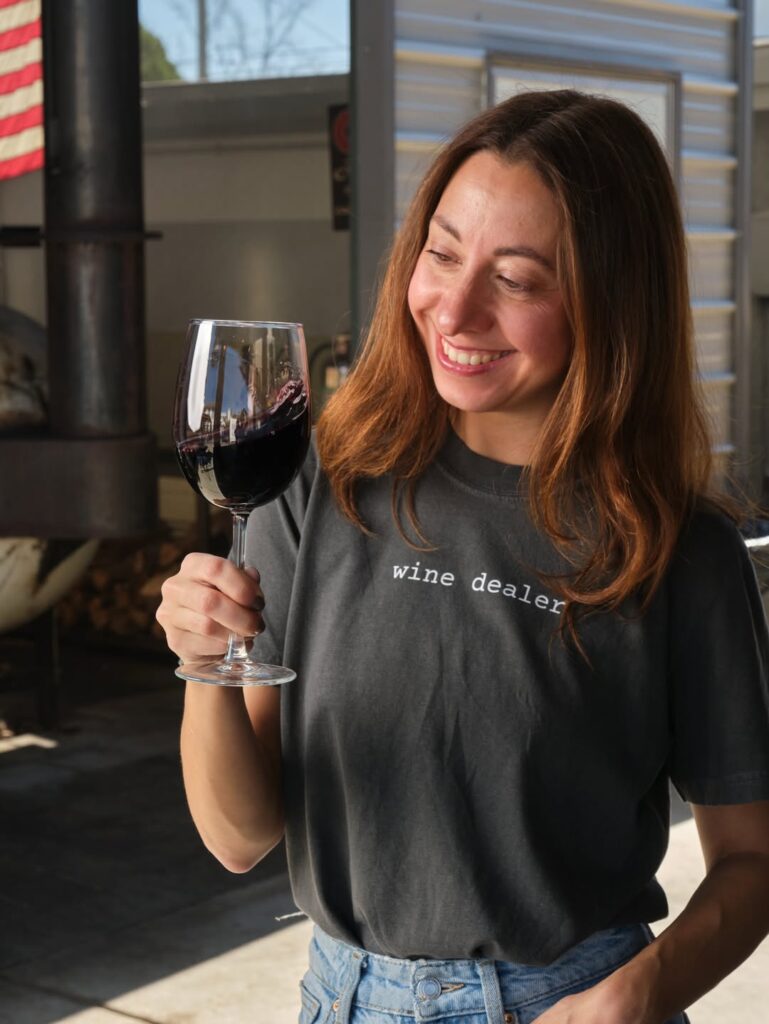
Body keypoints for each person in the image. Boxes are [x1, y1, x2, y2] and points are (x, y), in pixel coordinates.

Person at [156, 90, 769, 1024]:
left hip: (569, 1002)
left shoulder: (679, 551)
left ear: (610, 301)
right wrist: (205, 663)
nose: (454, 307)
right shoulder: (322, 482)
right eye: (441, 252)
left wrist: (641, 992)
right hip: (342, 999)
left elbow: (751, 862)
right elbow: (239, 838)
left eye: (517, 279)